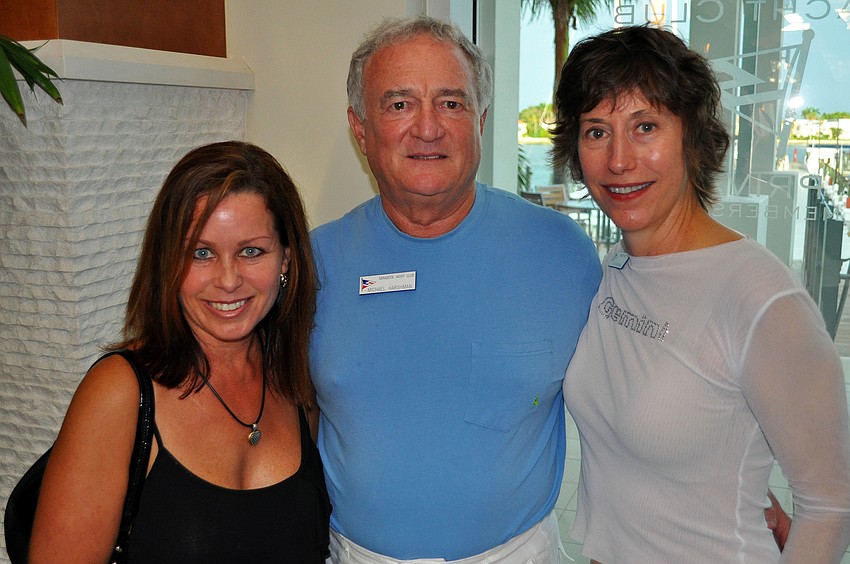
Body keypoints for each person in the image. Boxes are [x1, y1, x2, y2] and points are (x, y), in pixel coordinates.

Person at [551, 25, 850, 563]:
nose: (619, 160)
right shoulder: (615, 266)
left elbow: (831, 504)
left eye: (645, 127)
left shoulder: (761, 300)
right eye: (597, 131)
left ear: (691, 137)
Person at [309, 15, 601, 563]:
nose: (427, 127)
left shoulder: (563, 254)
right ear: (360, 128)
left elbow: (632, 398)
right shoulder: (312, 264)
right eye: (399, 104)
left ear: (480, 120)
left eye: (451, 103)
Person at [29, 141, 331, 563]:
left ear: (285, 260)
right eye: (201, 253)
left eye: (251, 251)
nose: (228, 280)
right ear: (168, 260)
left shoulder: (297, 377)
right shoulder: (119, 394)